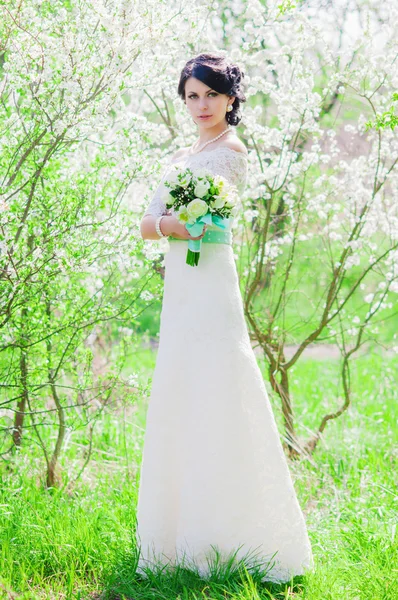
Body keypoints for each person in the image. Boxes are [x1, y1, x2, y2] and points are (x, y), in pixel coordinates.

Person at [136, 52, 314, 583]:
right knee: (182, 386)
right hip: (183, 287)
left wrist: (178, 223)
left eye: (211, 94)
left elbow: (213, 226)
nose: (201, 105)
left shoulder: (229, 153)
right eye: (192, 95)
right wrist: (172, 224)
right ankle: (175, 535)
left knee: (216, 382)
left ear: (230, 99)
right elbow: (147, 224)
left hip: (211, 283)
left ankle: (229, 534)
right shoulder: (186, 152)